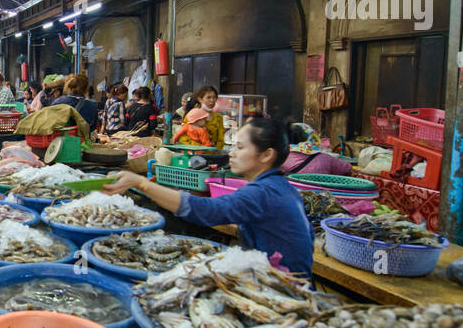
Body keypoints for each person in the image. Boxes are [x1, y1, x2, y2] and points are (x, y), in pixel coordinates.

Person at [101, 117, 314, 276]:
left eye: (240, 147)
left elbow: (205, 210)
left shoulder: (263, 193)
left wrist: (141, 183)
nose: (231, 153)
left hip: (283, 288)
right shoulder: (282, 187)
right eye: (233, 146)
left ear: (267, 154)